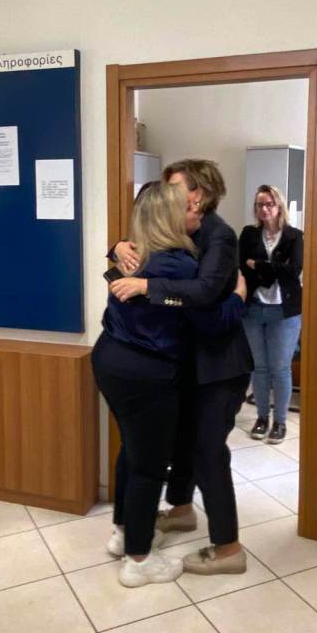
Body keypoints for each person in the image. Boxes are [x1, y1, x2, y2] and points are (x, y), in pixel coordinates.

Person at [94, 182, 245, 587]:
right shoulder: (178, 265)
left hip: (110, 359)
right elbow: (210, 318)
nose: (197, 211)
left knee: (132, 450)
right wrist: (237, 297)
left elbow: (113, 274)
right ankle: (139, 559)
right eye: (188, 206)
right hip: (146, 372)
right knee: (148, 466)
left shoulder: (135, 253)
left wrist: (115, 249)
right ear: (168, 217)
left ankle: (124, 531)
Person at [239, 184, 303, 443]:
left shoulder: (295, 236)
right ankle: (262, 417)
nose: (264, 209)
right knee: (260, 367)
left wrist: (260, 265)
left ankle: (280, 422)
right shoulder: (249, 234)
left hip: (284, 311)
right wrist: (275, 267)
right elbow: (242, 266)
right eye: (259, 204)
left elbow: (294, 270)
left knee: (280, 367)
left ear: (279, 206)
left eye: (269, 204)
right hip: (254, 308)